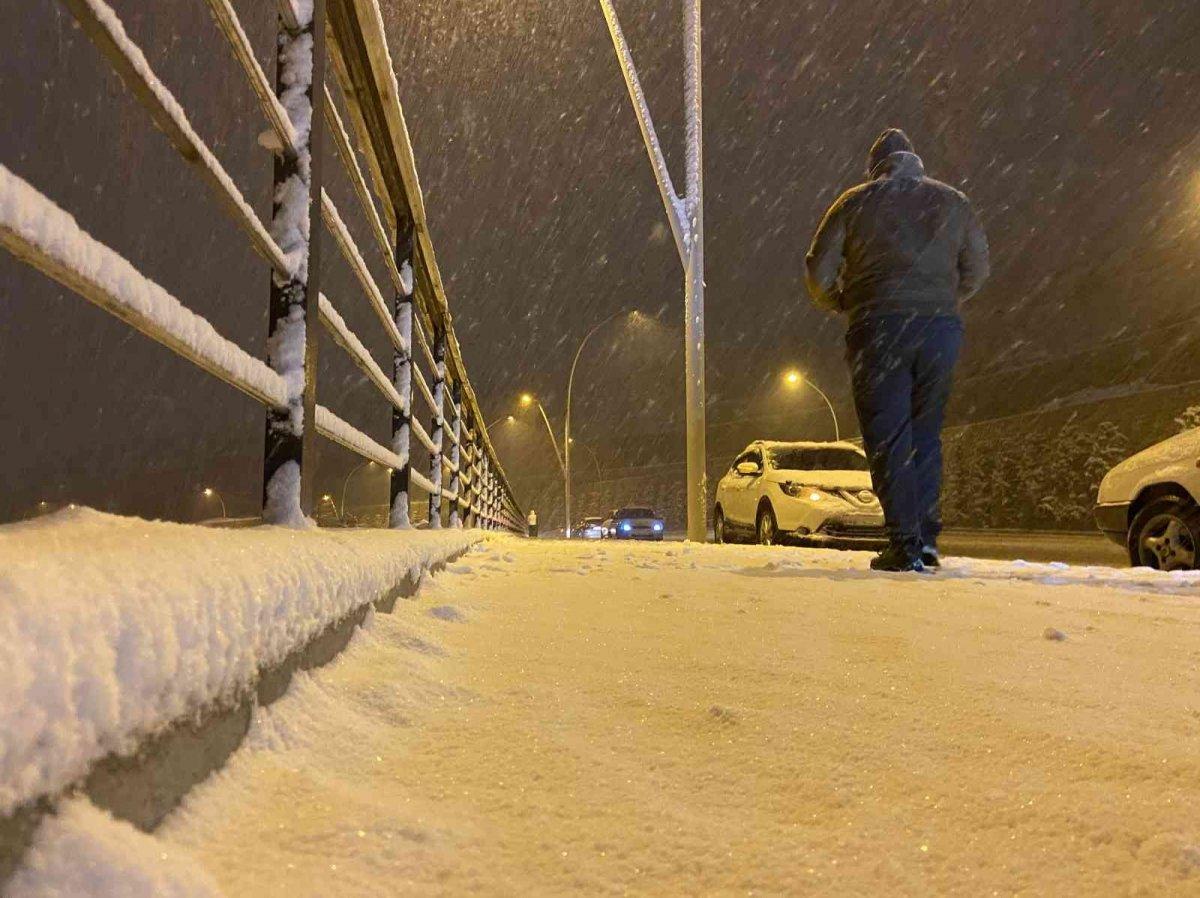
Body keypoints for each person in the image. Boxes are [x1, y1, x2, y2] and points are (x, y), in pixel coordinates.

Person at [805, 128, 989, 572]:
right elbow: (978, 267)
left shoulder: (854, 203)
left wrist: (843, 300)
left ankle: (904, 542)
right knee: (926, 435)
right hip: (940, 331)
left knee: (888, 438)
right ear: (915, 162)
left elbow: (818, 269)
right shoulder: (953, 201)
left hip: (879, 327)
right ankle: (925, 539)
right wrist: (941, 298)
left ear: (875, 169)